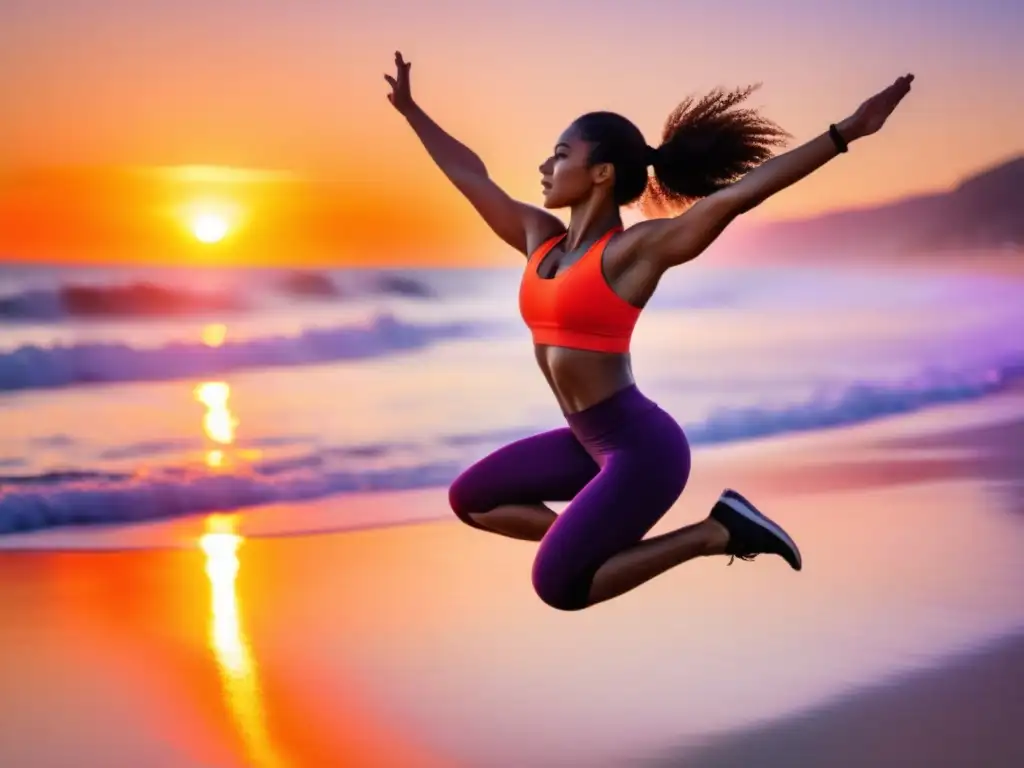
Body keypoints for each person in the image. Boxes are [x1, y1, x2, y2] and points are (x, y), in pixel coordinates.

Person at [384, 51, 914, 611]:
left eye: (561, 155)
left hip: (644, 450)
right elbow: (472, 175)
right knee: (472, 499)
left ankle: (716, 532)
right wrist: (413, 112)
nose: (545, 166)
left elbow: (738, 196)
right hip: (586, 441)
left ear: (601, 173)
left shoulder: (634, 252)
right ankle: (591, 542)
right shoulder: (537, 236)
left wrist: (848, 131)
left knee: (557, 586)